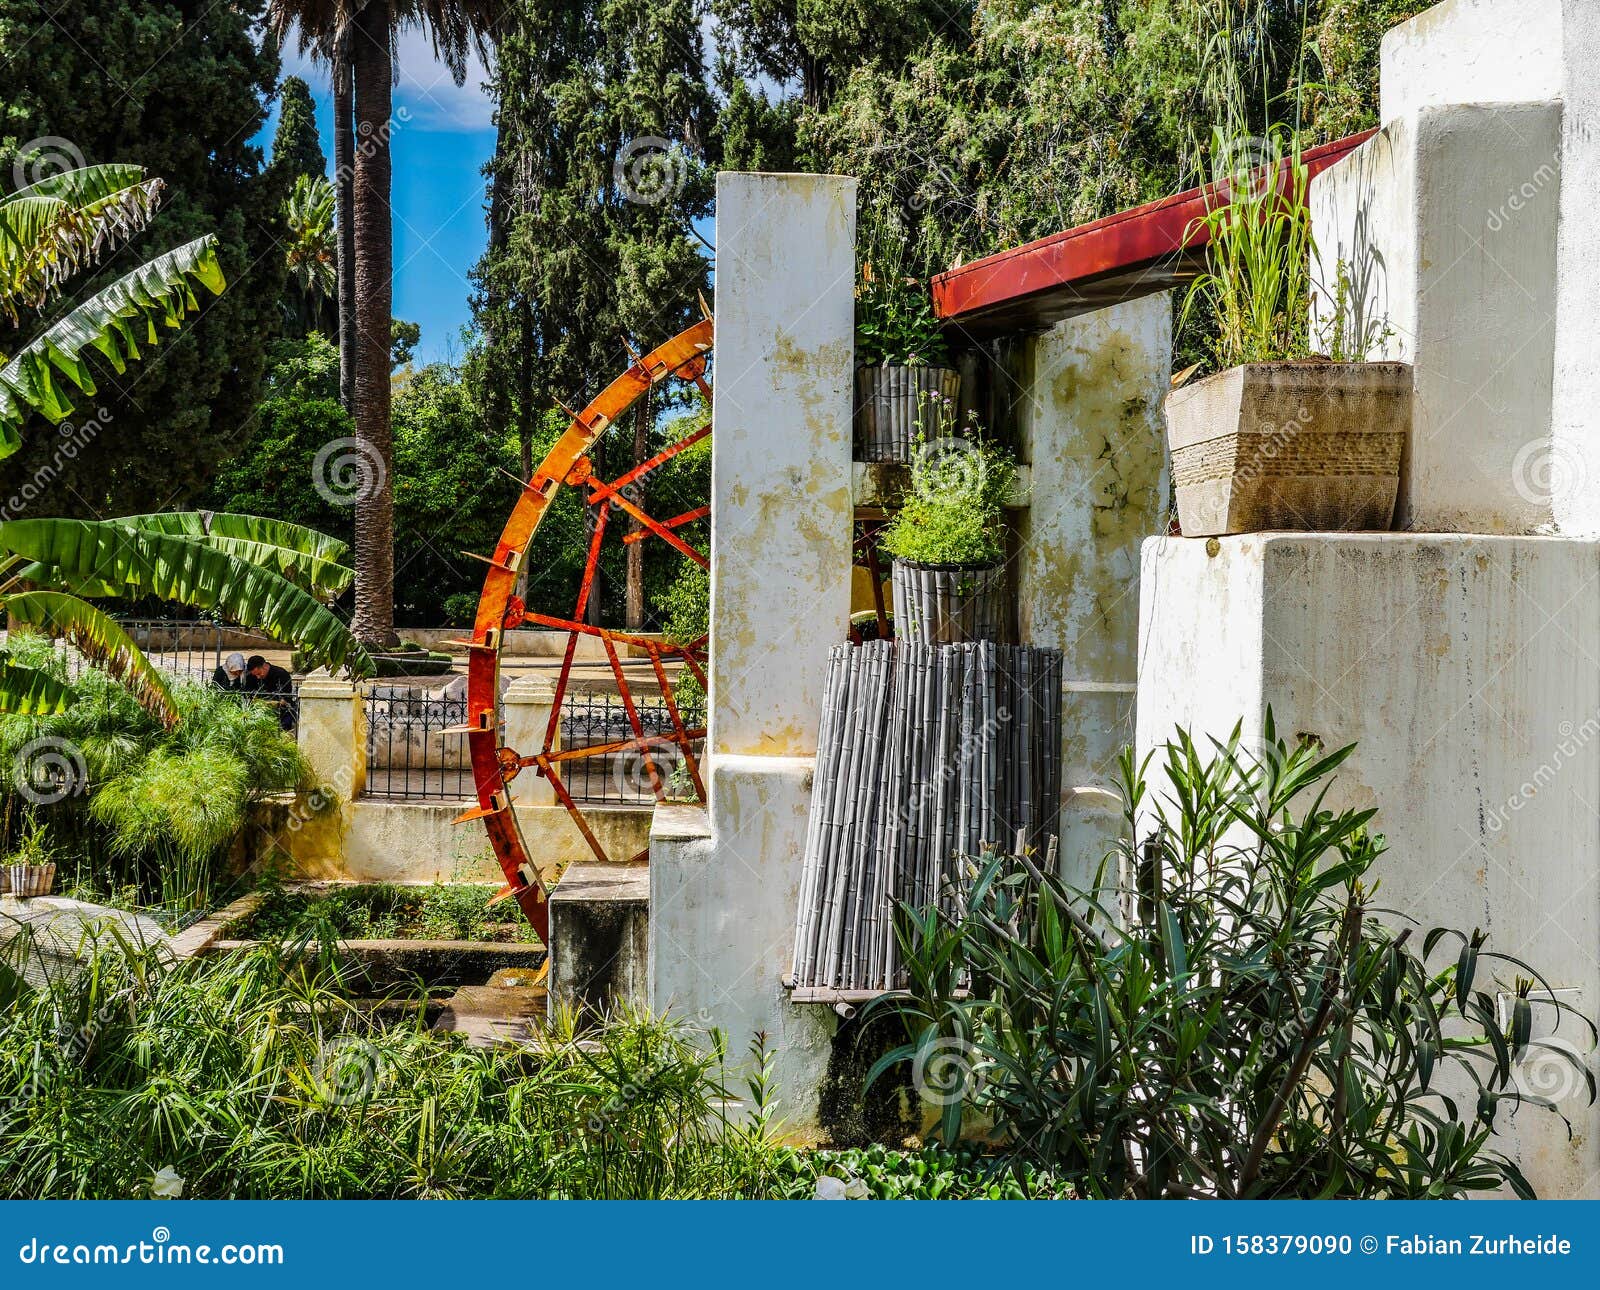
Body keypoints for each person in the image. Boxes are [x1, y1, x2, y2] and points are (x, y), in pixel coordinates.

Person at [243, 654, 299, 732]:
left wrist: (264, 703)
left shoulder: (281, 674)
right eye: (255, 675)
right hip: (259, 713)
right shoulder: (251, 676)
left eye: (259, 674)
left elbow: (285, 700)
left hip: (281, 713)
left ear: (264, 666)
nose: (258, 677)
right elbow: (249, 696)